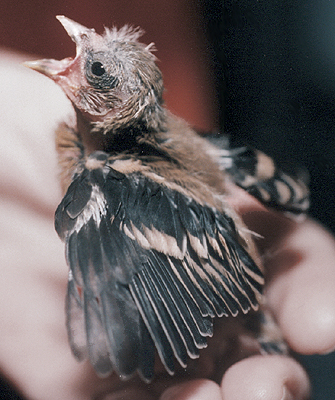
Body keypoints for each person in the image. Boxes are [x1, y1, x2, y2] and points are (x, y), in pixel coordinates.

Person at [0, 49, 335, 400]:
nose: (82, 39)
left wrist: (139, 328)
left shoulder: (105, 177)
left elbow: (122, 270)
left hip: (226, 284)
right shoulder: (142, 152)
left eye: (97, 70)